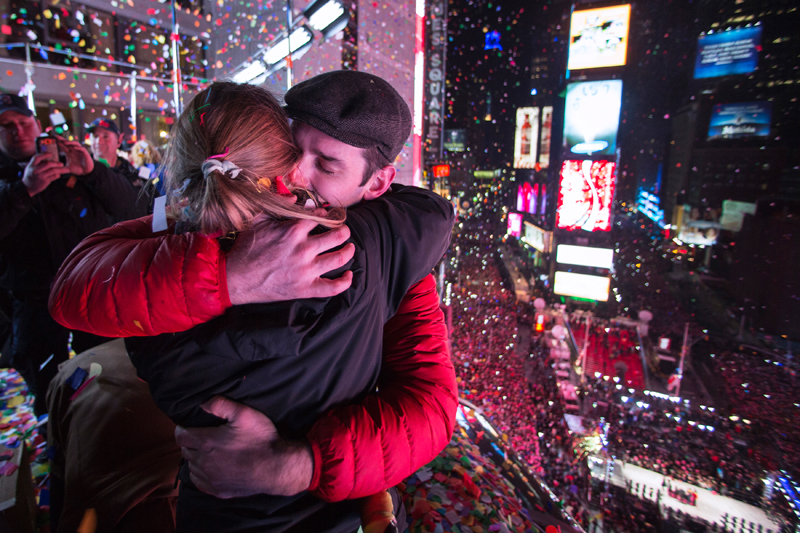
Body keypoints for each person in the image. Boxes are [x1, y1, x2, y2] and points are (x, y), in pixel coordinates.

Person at [51, 76, 455, 532]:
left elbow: (432, 405)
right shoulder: (221, 214)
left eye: (326, 164)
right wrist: (228, 278)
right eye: (287, 149)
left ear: (378, 183)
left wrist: (295, 464)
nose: (295, 176)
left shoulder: (395, 260)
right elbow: (74, 286)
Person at [0, 93, 137, 415]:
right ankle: (56, 430)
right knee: (44, 376)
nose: (18, 131)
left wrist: (91, 172)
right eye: (6, 126)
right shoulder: (9, 177)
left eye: (23, 123)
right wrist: (25, 189)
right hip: (34, 300)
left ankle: (93, 422)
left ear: (37, 126)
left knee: (102, 367)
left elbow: (127, 206)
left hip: (91, 289)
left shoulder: (71, 164)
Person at [87, 118, 151, 217]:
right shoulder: (83, 174)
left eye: (105, 136)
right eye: (95, 136)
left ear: (119, 141)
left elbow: (151, 205)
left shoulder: (134, 174)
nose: (99, 141)